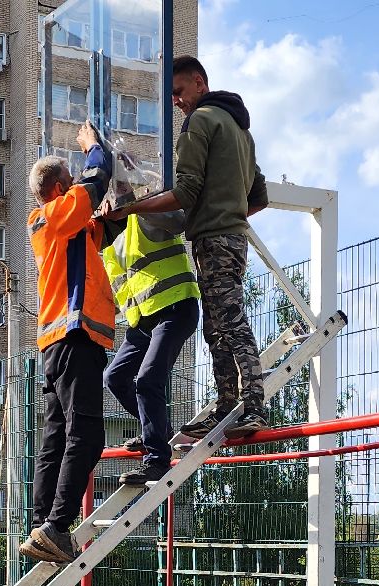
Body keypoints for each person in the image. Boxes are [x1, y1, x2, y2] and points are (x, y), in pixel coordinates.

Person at [99, 55, 270, 442]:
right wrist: (229, 214)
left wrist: (133, 207)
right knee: (216, 326)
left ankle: (254, 406)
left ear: (198, 82)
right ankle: (229, 407)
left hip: (213, 239)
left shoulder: (200, 122)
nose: (176, 101)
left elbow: (186, 192)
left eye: (178, 92)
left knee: (229, 322)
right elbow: (258, 195)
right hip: (230, 237)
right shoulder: (240, 131)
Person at [20, 122, 117, 564]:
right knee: (88, 434)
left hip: (54, 343)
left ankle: (42, 523)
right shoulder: (60, 211)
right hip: (74, 336)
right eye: (71, 185)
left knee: (55, 437)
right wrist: (92, 145)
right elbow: (97, 177)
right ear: (61, 187)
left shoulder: (60, 226)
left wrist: (124, 211)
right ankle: (57, 525)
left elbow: (100, 230)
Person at [100, 168, 200, 487]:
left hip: (175, 306)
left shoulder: (145, 212)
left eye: (116, 193)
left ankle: (156, 459)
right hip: (143, 321)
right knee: (114, 377)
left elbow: (179, 221)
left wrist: (134, 202)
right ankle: (155, 432)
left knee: (146, 380)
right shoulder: (112, 241)